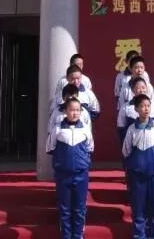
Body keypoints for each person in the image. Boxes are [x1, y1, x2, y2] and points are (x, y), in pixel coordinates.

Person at [123, 94, 154, 239]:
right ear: (136, 109)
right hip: (137, 176)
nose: (146, 109)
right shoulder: (131, 129)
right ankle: (139, 235)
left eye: (148, 106)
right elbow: (126, 150)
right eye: (142, 106)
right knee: (138, 207)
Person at [47, 98, 94, 239]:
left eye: (77, 110)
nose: (75, 113)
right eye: (72, 110)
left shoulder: (85, 129)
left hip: (81, 174)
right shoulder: (57, 129)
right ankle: (66, 236)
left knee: (79, 208)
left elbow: (90, 147)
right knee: (65, 208)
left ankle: (78, 235)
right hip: (63, 175)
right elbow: (50, 147)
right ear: (65, 111)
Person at [118, 77, 154, 144]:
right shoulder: (125, 107)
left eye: (143, 88)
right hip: (133, 144)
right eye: (138, 88)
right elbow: (121, 127)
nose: (141, 90)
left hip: (151, 144)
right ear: (132, 90)